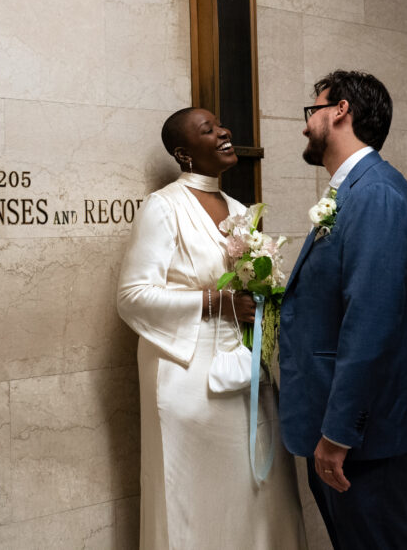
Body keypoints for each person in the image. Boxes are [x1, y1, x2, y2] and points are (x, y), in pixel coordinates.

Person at [117, 107, 304, 549]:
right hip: (186, 378)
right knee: (193, 499)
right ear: (183, 153)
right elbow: (132, 296)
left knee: (261, 493)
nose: (224, 131)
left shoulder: (240, 212)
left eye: (222, 124)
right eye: (209, 129)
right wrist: (215, 301)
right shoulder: (164, 207)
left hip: (244, 373)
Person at [278, 71, 407, 549]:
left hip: (365, 438)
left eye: (312, 111)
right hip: (350, 432)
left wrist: (337, 434)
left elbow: (370, 324)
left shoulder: (376, 195)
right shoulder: (353, 191)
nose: (305, 125)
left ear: (340, 111)